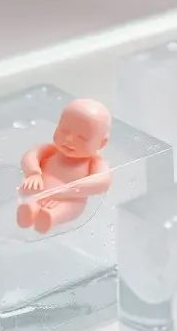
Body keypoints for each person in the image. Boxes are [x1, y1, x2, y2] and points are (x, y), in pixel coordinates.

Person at [16, 98, 111, 233]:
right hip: (39, 188)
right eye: (64, 131)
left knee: (71, 206)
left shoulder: (95, 162)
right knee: (30, 193)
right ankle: (29, 210)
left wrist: (65, 191)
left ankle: (51, 217)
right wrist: (34, 173)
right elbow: (31, 155)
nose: (69, 139)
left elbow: (102, 181)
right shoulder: (50, 150)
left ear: (101, 143)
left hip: (69, 198)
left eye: (82, 138)